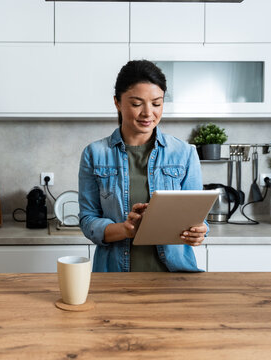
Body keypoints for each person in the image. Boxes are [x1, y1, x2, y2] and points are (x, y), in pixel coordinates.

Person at [78, 59, 208, 272]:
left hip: (174, 277)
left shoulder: (185, 153)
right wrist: (126, 230)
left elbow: (197, 217)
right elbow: (87, 220)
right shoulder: (94, 154)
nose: (148, 113)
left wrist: (200, 231)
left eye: (157, 103)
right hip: (114, 277)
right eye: (137, 104)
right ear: (117, 103)